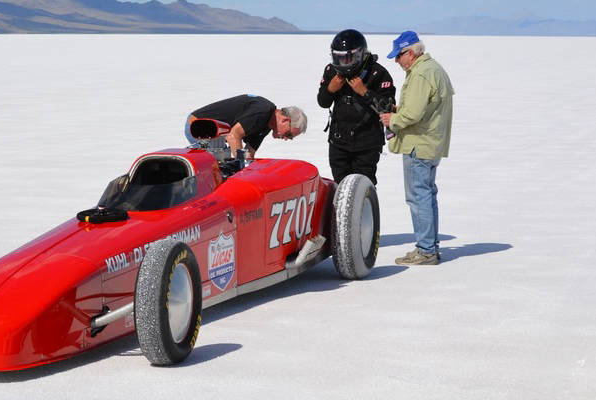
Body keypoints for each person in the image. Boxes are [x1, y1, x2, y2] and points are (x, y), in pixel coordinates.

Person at [380, 31, 454, 266]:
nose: (396, 61)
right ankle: (429, 246)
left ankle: (426, 251)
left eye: (398, 56)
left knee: (418, 197)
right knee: (427, 195)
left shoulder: (421, 74)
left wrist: (392, 119)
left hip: (419, 145)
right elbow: (423, 107)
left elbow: (412, 113)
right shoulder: (434, 69)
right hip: (431, 143)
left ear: (410, 53)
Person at [317, 29, 396, 185]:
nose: (343, 62)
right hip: (339, 141)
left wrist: (365, 92)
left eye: (347, 58)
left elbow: (387, 109)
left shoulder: (378, 73)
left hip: (367, 143)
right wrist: (330, 89)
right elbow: (322, 102)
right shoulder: (331, 71)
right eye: (338, 58)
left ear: (359, 54)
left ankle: (366, 210)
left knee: (363, 186)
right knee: (341, 187)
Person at [186, 94, 307, 158]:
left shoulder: (266, 124)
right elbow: (233, 136)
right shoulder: (263, 111)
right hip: (199, 126)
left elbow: (249, 152)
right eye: (288, 134)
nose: (285, 138)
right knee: (215, 163)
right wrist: (242, 167)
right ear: (285, 120)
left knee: (224, 160)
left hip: (217, 133)